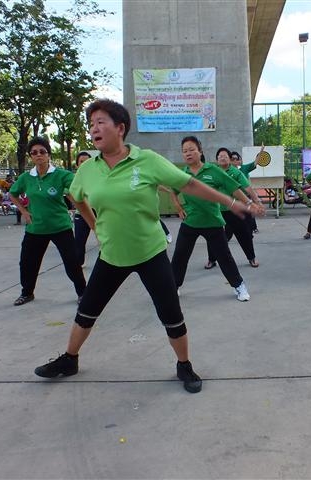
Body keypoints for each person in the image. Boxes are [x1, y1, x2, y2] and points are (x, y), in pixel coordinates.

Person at [34, 100, 256, 393]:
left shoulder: (147, 160)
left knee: (171, 313)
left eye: (101, 122)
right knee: (87, 310)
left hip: (150, 254)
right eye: (91, 125)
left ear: (120, 128)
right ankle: (70, 359)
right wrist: (94, 226)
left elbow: (187, 184)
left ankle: (184, 365)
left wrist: (230, 201)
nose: (94, 129)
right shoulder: (88, 170)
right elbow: (76, 197)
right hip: (112, 255)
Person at [170, 136, 265, 301]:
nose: (188, 153)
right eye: (185, 151)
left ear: (200, 151)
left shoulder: (213, 171)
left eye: (192, 149)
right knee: (180, 256)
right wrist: (177, 207)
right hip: (190, 222)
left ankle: (239, 286)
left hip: (212, 222)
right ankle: (174, 287)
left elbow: (234, 188)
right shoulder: (181, 174)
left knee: (224, 257)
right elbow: (173, 191)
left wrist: (250, 203)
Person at [9, 137, 86, 306]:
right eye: (34, 153)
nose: (38, 155)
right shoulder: (26, 178)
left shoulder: (61, 175)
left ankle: (83, 293)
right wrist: (24, 212)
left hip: (60, 227)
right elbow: (12, 194)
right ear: (31, 156)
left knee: (72, 263)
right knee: (27, 263)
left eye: (42, 152)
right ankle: (27, 293)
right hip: (35, 229)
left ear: (48, 154)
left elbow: (77, 189)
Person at [205, 147, 263, 269]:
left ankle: (251, 258)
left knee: (244, 235)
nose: (222, 158)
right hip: (217, 211)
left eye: (225, 156)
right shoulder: (213, 172)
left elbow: (247, 188)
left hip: (234, 211)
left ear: (230, 160)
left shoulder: (236, 173)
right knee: (213, 236)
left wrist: (256, 201)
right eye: (220, 156)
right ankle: (212, 260)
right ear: (216, 160)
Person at [72, 151, 93, 266]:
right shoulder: (73, 179)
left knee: (105, 240)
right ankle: (79, 264)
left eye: (88, 161)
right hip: (82, 214)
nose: (85, 164)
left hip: (98, 213)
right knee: (79, 242)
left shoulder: (98, 177)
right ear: (77, 165)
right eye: (81, 162)